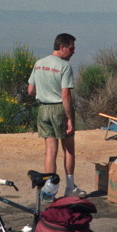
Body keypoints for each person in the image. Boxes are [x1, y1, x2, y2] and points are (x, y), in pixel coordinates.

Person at [27, 33, 86, 198]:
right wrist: (69, 118)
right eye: (72, 48)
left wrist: (45, 92)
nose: (73, 52)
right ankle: (70, 187)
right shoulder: (64, 66)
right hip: (59, 109)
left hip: (43, 109)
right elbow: (66, 95)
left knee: (50, 151)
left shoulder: (39, 64)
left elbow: (30, 90)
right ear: (62, 47)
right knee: (69, 149)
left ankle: (49, 190)